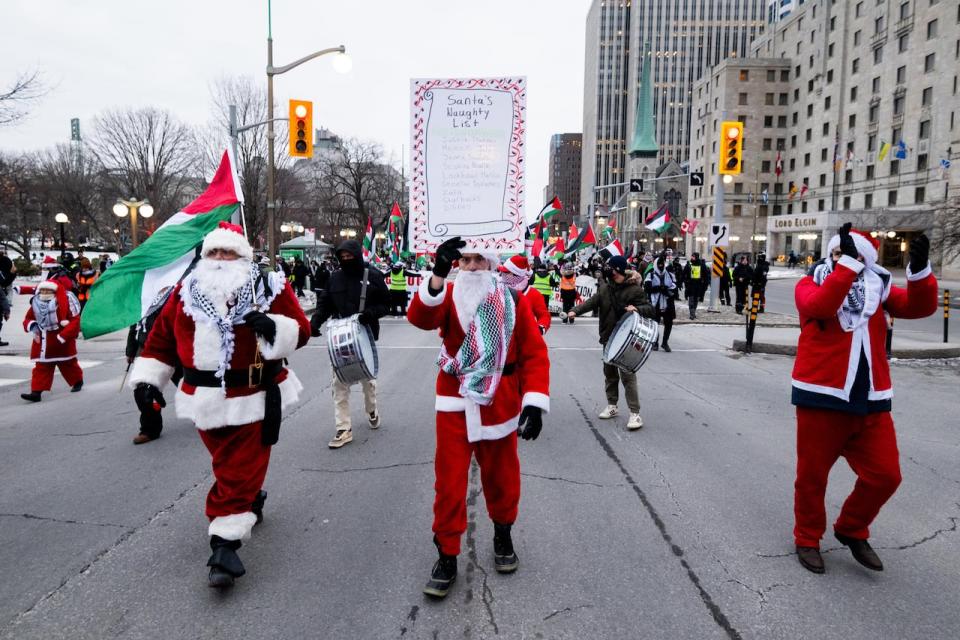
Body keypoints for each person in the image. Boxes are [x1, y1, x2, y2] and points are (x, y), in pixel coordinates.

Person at [129, 221, 310, 588]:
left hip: (255, 395)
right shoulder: (185, 292)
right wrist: (149, 381)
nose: (221, 259)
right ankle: (249, 497)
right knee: (226, 463)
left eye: (229, 252)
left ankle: (224, 544)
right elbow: (161, 340)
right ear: (204, 257)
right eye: (215, 252)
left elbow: (302, 329)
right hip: (204, 398)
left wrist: (273, 326)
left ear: (244, 256)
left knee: (238, 466)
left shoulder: (268, 287)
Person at [407, 236, 549, 599]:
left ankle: (503, 534)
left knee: (502, 477)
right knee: (449, 483)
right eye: (464, 260)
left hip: (499, 401)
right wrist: (437, 274)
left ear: (491, 264)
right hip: (454, 399)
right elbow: (420, 318)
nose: (471, 267)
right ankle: (447, 556)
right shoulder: (449, 295)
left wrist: (533, 401)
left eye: (478, 260)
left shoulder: (512, 300)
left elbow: (534, 353)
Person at [791, 225, 937, 575]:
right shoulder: (810, 283)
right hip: (822, 395)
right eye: (837, 253)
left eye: (851, 253)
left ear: (867, 259)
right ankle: (807, 538)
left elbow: (919, 308)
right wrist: (847, 267)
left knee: (886, 476)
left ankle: (851, 528)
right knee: (812, 477)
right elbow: (823, 306)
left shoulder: (879, 287)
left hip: (871, 397)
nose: (841, 259)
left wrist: (919, 273)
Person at [310, 240, 389, 449]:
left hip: (364, 335)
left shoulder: (372, 276)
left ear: (356, 255)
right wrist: (315, 322)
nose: (346, 260)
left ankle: (371, 409)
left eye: (349, 256)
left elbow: (385, 304)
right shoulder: (335, 278)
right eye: (342, 257)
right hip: (340, 339)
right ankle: (343, 428)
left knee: (367, 381)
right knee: (339, 384)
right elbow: (325, 304)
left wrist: (370, 314)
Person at [567, 256, 654, 430]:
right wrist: (574, 311)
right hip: (609, 337)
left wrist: (637, 309)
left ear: (619, 270)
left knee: (628, 376)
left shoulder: (634, 290)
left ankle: (635, 414)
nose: (607, 270)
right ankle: (612, 405)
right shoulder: (605, 288)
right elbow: (592, 302)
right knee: (610, 374)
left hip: (626, 341)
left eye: (610, 267)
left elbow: (650, 309)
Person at [125, 286, 183, 445]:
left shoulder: (178, 290)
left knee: (190, 386)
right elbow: (135, 326)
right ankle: (150, 429)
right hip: (149, 350)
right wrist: (131, 350)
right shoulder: (143, 297)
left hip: (175, 348)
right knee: (143, 391)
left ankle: (203, 415)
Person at [20, 279, 84, 402]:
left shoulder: (63, 303)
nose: (44, 292)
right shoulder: (36, 303)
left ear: (53, 291)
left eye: (47, 290)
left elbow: (75, 321)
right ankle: (36, 392)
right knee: (41, 367)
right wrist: (32, 325)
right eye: (42, 290)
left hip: (61, 342)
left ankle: (77, 381)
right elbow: (28, 318)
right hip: (43, 341)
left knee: (68, 365)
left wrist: (64, 336)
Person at [498, 254, 550, 333]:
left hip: (524, 336)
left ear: (517, 275)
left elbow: (544, 315)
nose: (503, 275)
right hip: (502, 337)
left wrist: (540, 328)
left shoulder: (533, 294)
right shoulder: (499, 289)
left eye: (507, 272)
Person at [644, 254, 677, 352]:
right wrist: (658, 288)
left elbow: (675, 286)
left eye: (662, 264)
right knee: (655, 323)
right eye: (659, 264)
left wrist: (667, 290)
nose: (661, 266)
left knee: (669, 323)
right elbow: (647, 288)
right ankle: (655, 342)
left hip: (668, 302)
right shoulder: (651, 274)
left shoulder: (670, 274)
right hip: (656, 303)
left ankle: (665, 342)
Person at [682, 252, 708, 320]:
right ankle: (692, 313)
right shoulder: (689, 265)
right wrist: (685, 281)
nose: (692, 258)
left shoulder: (702, 265)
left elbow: (706, 276)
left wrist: (705, 285)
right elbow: (684, 274)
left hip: (698, 286)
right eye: (691, 256)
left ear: (696, 257)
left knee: (696, 300)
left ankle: (693, 312)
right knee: (691, 300)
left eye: (693, 257)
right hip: (690, 286)